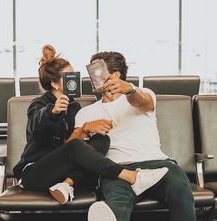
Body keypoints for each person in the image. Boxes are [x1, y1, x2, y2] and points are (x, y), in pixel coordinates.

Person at [13, 45, 168, 206]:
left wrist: (85, 130)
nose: (74, 79)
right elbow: (36, 123)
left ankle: (66, 185)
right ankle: (132, 177)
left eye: (74, 75)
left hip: (61, 172)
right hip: (36, 173)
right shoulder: (39, 104)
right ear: (54, 83)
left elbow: (69, 146)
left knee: (102, 140)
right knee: (76, 147)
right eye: (68, 76)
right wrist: (52, 112)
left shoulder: (74, 107)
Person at [74, 52, 196, 221]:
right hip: (117, 170)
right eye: (91, 70)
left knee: (180, 188)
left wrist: (130, 89)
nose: (93, 75)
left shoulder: (143, 94)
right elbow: (73, 150)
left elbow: (141, 101)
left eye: (98, 69)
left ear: (116, 75)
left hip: (157, 165)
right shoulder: (85, 113)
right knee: (116, 206)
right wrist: (85, 129)